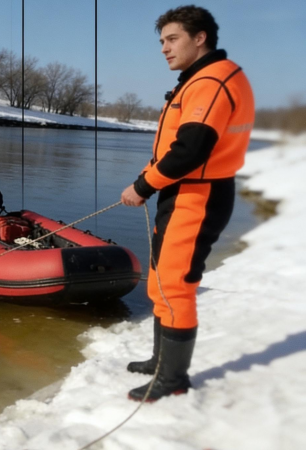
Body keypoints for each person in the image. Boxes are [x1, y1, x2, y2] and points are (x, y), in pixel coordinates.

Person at [120, 6, 254, 401]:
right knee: (162, 283)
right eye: (161, 41)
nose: (164, 48)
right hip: (183, 192)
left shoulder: (212, 80)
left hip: (199, 194)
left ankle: (172, 380)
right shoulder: (198, 79)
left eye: (172, 38)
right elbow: (172, 147)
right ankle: (162, 362)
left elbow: (190, 150)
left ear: (200, 38)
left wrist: (142, 186)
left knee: (174, 286)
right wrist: (151, 178)